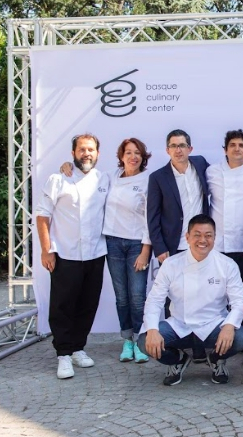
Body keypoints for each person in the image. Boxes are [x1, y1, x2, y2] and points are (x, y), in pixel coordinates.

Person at [59, 138, 154, 364]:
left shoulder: (149, 180)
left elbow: (151, 218)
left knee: (138, 297)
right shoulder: (109, 177)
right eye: (128, 152)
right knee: (122, 298)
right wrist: (67, 165)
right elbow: (84, 172)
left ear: (143, 157)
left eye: (137, 153)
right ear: (121, 156)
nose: (133, 157)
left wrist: (145, 250)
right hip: (112, 244)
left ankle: (140, 341)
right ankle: (127, 341)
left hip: (136, 245)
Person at [138, 214, 243, 386]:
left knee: (240, 338)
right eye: (197, 234)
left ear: (214, 238)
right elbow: (154, 301)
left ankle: (216, 359)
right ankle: (178, 360)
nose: (202, 240)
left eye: (208, 235)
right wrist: (152, 329)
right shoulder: (171, 264)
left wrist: (229, 325)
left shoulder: (227, 265)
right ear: (187, 237)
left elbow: (239, 301)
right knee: (144, 341)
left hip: (213, 325)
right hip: (179, 325)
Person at [35, 133, 109, 379]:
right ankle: (63, 355)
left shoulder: (104, 179)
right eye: (82, 150)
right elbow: (43, 216)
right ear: (73, 153)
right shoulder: (59, 179)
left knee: (88, 304)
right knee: (62, 305)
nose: (86, 154)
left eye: (91, 150)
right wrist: (47, 250)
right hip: (65, 254)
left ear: (97, 153)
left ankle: (78, 348)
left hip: (96, 253)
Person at [147, 129, 210, 362]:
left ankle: (200, 345)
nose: (178, 150)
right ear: (167, 150)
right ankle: (171, 344)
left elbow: (228, 168)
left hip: (201, 244)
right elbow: (152, 217)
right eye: (173, 146)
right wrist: (159, 248)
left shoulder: (201, 165)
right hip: (172, 246)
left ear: (190, 149)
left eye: (182, 145)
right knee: (171, 296)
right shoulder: (158, 177)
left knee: (200, 295)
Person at [206, 130, 243, 333]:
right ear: (225, 149)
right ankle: (215, 334)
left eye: (241, 146)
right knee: (217, 293)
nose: (237, 149)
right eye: (233, 145)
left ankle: (238, 334)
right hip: (219, 244)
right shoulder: (211, 171)